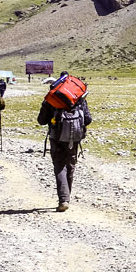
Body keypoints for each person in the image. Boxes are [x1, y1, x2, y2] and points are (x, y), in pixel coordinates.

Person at [35, 79, 91, 211]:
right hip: (74, 138)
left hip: (57, 137)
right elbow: (88, 119)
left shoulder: (52, 99)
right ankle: (67, 198)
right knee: (70, 165)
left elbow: (41, 120)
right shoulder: (78, 98)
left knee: (59, 166)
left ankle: (63, 199)